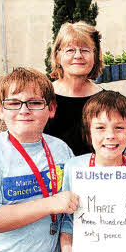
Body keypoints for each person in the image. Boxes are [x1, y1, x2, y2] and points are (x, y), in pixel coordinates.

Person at [0, 68, 79, 252]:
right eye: (14, 103)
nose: (24, 110)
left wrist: (67, 242)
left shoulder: (61, 150)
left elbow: (72, 207)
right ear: (0, 110)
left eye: (35, 103)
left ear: (52, 109)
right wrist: (48, 205)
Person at [59, 90, 126, 252]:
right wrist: (67, 247)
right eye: (100, 128)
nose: (110, 135)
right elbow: (68, 220)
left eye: (119, 128)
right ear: (88, 133)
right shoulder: (73, 168)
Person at [44, 21, 104, 156]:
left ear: (95, 56)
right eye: (70, 50)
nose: (78, 55)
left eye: (85, 50)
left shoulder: (106, 101)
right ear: (58, 56)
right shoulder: (42, 96)